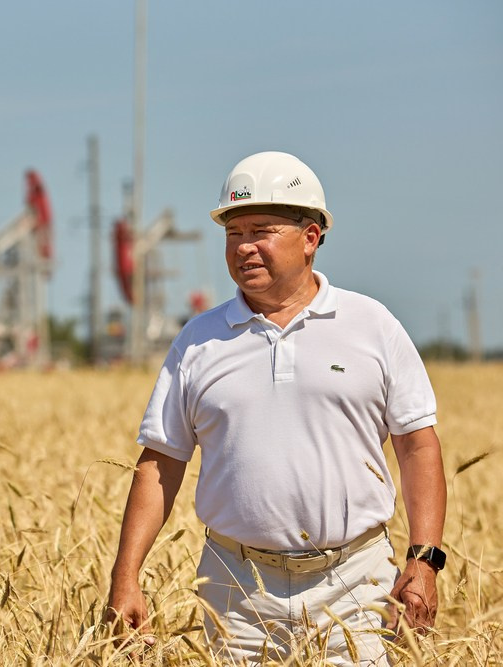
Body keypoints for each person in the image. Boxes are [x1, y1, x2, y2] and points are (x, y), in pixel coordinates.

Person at [106, 151, 447, 665]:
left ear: (310, 237)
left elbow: (418, 447)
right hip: (237, 591)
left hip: (354, 584)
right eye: (233, 232)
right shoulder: (199, 341)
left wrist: (424, 561)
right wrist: (125, 577)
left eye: (261, 230)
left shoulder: (371, 326)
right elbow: (160, 462)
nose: (244, 246)